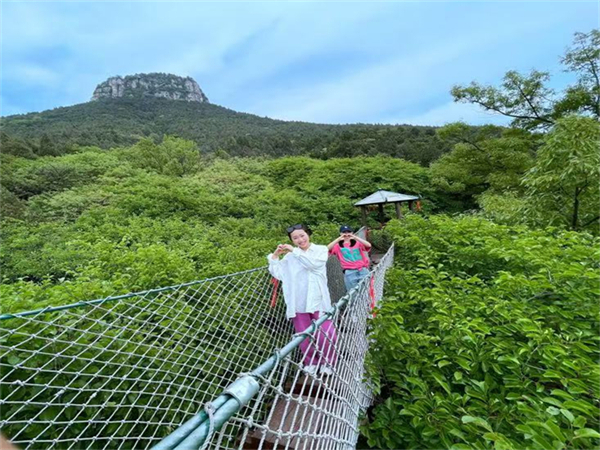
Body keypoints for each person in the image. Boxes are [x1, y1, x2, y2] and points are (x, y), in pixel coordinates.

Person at [268, 224, 337, 376]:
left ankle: (329, 362)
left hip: (318, 300)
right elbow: (278, 273)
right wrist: (276, 255)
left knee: (326, 332)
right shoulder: (290, 256)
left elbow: (313, 265)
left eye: (302, 235)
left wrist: (295, 251)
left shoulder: (320, 250)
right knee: (303, 335)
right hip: (298, 301)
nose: (300, 239)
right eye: (295, 238)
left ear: (308, 234)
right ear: (291, 240)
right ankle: (311, 362)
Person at [327, 225, 372, 291]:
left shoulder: (357, 243)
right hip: (350, 272)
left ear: (352, 233)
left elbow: (368, 245)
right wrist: (339, 239)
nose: (346, 234)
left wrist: (355, 237)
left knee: (367, 291)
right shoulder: (337, 246)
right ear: (340, 233)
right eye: (344, 232)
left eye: (348, 232)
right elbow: (327, 248)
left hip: (362, 270)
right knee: (353, 293)